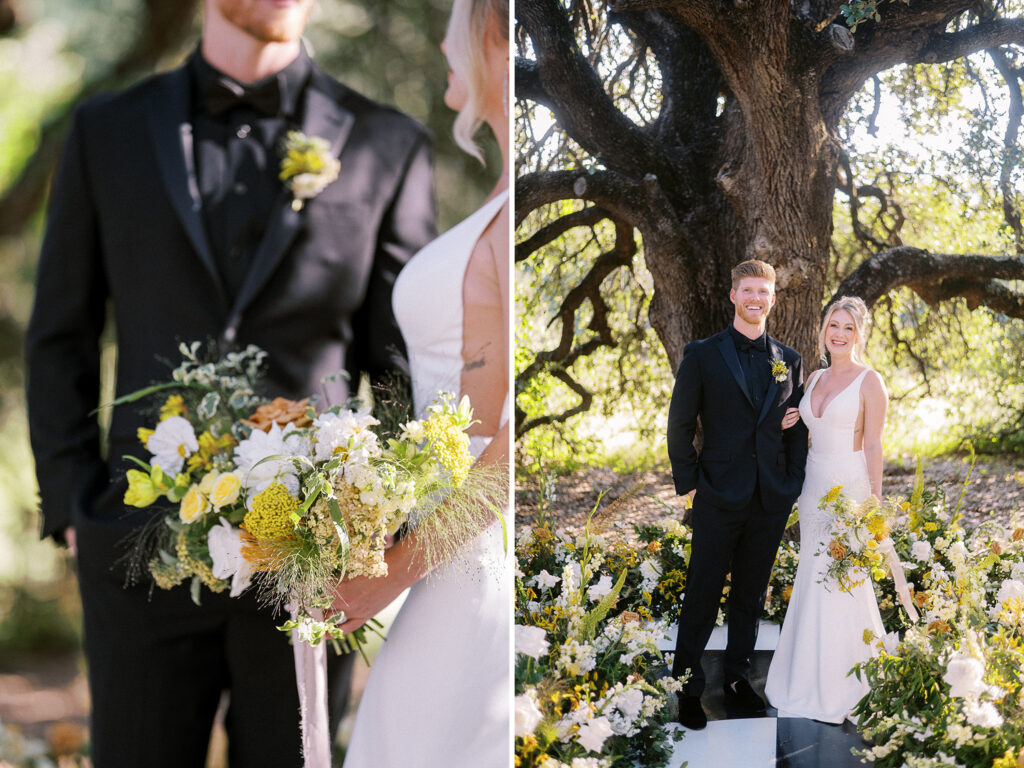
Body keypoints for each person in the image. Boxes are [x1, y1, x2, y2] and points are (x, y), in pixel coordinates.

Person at [25, 0, 436, 764]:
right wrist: (77, 509)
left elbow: (400, 364)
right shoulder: (106, 131)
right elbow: (59, 335)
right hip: (136, 549)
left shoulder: (387, 142)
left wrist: (374, 522)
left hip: (310, 559)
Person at [330, 0, 510, 765]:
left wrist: (387, 576)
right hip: (441, 551)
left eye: (458, 19)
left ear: (495, 34)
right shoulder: (503, 198)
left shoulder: (511, 220)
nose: (442, 40)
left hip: (466, 559)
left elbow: (511, 443)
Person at [666, 259, 809, 730]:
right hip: (715, 494)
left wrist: (790, 483)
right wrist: (690, 485)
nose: (755, 299)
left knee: (750, 594)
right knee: (702, 592)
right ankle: (687, 688)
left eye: (763, 292)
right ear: (733, 295)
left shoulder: (789, 359)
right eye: (748, 290)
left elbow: (796, 429)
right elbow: (680, 424)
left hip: (769, 497)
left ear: (773, 298)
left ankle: (736, 680)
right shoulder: (702, 354)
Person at [764, 296, 888, 723]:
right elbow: (805, 426)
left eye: (848, 327)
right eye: (834, 325)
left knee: (844, 577)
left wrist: (874, 501)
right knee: (813, 571)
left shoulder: (870, 381)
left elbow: (874, 444)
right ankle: (805, 676)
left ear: (859, 334)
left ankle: (847, 684)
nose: (839, 334)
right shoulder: (814, 377)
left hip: (850, 487)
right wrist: (788, 421)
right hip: (813, 487)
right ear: (824, 330)